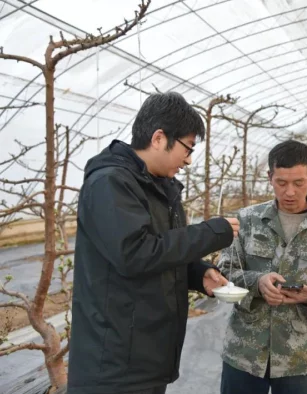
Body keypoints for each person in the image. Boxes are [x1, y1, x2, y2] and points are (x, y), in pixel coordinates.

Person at [67, 91, 240, 394]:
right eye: (187, 148)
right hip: (113, 366)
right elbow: (135, 253)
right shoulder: (111, 183)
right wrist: (211, 233)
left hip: (147, 357)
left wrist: (198, 274)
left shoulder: (161, 188)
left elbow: (161, 252)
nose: (188, 160)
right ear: (159, 138)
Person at [217, 140, 307, 394]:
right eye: (281, 183)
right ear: (270, 178)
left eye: (298, 183)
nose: (289, 192)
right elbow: (223, 271)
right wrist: (257, 282)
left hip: (299, 354)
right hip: (245, 350)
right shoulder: (247, 220)